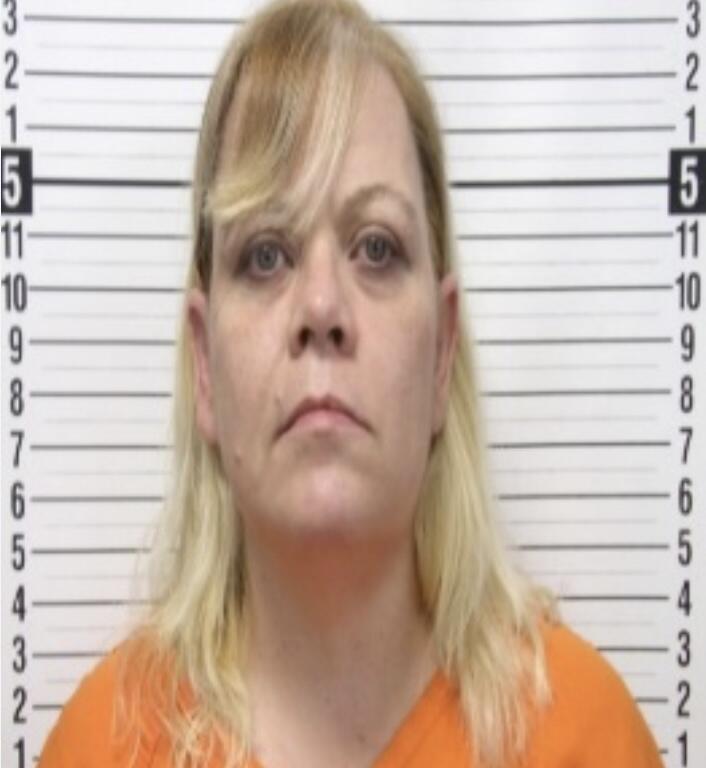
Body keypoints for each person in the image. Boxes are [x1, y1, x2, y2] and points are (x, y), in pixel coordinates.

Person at [38, 1, 664, 766]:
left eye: (375, 247)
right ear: (204, 365)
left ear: (442, 353)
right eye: (265, 254)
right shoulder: (102, 747)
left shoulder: (590, 739)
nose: (322, 307)